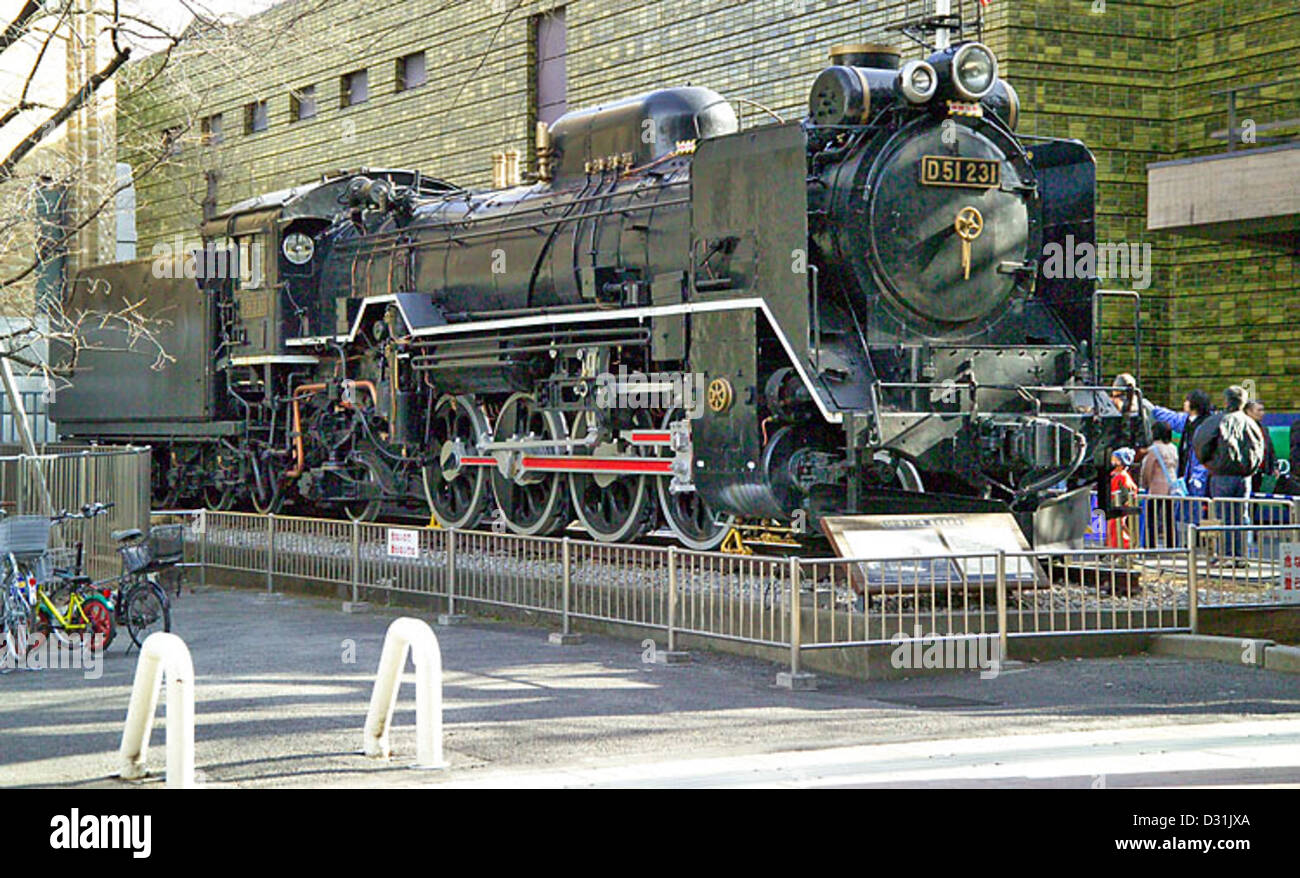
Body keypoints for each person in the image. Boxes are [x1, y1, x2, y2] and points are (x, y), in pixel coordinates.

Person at [1193, 386, 1266, 566]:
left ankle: (1226, 555)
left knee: (1223, 514)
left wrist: (1210, 463)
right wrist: (1251, 468)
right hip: (1244, 476)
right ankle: (1240, 556)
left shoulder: (1216, 421)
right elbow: (1260, 449)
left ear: (1226, 401)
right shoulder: (1252, 424)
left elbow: (1201, 443)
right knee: (1242, 515)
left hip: (1221, 474)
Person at [1139, 421, 1179, 547]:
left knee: (1151, 518)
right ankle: (1171, 544)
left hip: (1156, 487)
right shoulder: (1173, 448)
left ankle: (1150, 545)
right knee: (1169, 518)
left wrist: (1144, 484)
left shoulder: (1153, 449)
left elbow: (1147, 468)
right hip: (1172, 486)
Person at [1107, 447, 1138, 549]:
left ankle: (1123, 549)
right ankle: (1114, 549)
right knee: (1113, 528)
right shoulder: (1115, 474)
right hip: (1113, 506)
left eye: (1115, 459)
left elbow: (1127, 492)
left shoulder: (1123, 476)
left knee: (1117, 528)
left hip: (1119, 506)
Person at [1245, 400, 1277, 495]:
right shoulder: (1242, 428)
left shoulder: (1263, 428)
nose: (1262, 413)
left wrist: (1274, 467)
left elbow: (1270, 449)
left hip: (1259, 472)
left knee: (1255, 500)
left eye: (1263, 410)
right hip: (1245, 472)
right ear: (1248, 412)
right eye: (1259, 410)